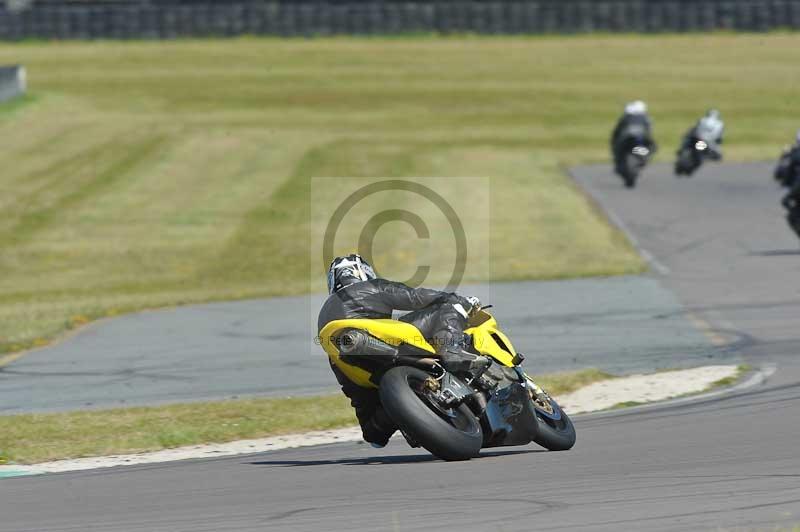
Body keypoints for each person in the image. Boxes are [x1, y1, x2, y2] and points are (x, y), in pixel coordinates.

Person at [318, 254, 488, 448]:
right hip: (379, 342)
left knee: (372, 431)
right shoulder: (370, 287)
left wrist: (373, 428)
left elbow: (353, 391)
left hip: (351, 361)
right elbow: (415, 297)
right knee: (450, 307)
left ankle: (386, 420)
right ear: (363, 272)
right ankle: (453, 350)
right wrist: (460, 301)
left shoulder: (325, 313)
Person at [611, 100, 657, 174]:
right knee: (652, 147)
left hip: (632, 142)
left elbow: (617, 132)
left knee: (651, 147)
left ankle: (643, 157)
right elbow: (649, 130)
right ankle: (644, 157)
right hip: (635, 142)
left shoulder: (626, 117)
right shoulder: (645, 118)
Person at [775, 130, 800, 215]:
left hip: (796, 187)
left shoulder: (793, 152)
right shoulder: (793, 152)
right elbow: (780, 172)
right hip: (795, 188)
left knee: (785, 200)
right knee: (786, 200)